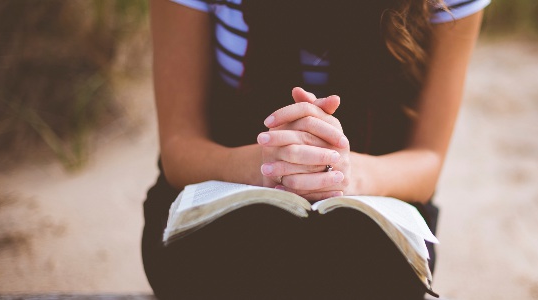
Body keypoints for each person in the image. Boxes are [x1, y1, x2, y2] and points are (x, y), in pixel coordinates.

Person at [142, 0, 487, 299]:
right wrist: (270, 165)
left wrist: (344, 172)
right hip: (222, 201)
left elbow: (427, 158)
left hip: (373, 213)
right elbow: (178, 147)